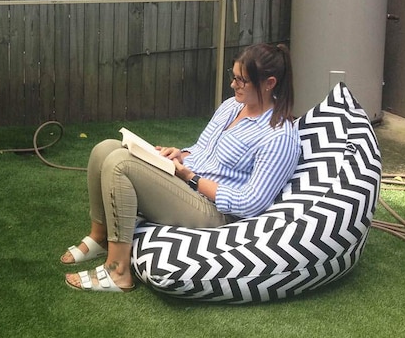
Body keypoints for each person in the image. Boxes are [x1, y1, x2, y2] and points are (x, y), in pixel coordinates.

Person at [61, 43, 300, 292]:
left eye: (242, 80)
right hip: (186, 183)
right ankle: (100, 237)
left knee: (120, 164)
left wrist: (192, 178)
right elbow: (203, 148)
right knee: (106, 149)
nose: (233, 84)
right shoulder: (232, 106)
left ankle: (119, 272)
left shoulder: (279, 136)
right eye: (234, 76)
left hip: (213, 211)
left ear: (269, 83)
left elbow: (252, 202)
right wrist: (180, 154)